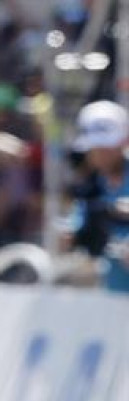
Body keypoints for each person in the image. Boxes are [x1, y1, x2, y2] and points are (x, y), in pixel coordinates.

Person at [65, 100, 129, 293]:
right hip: (109, 294)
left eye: (108, 147)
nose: (102, 155)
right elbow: (76, 226)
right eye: (96, 148)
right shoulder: (89, 185)